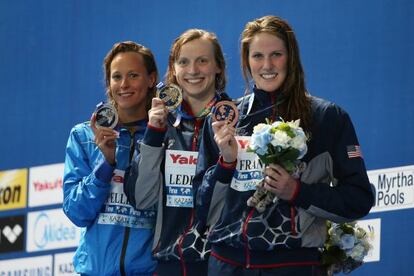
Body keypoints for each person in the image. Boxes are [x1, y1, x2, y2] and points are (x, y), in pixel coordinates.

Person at [196, 15, 375, 275]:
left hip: (292, 265)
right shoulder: (227, 117)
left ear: (291, 57)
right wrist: (226, 163)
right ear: (246, 60)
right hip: (227, 264)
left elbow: (358, 199)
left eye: (276, 54)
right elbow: (202, 211)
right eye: (257, 56)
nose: (267, 65)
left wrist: (297, 191)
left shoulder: (326, 117)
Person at [124, 29, 230, 276]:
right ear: (173, 69)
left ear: (218, 67)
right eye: (184, 62)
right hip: (170, 263)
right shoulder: (161, 126)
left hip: (222, 262)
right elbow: (141, 198)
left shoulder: (236, 122)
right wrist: (152, 135)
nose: (193, 70)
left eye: (202, 61)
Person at [63, 41, 158, 276]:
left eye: (133, 75)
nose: (124, 85)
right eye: (116, 77)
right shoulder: (84, 136)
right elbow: (77, 211)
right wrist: (104, 165)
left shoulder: (167, 136)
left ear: (151, 79)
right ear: (108, 83)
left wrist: (157, 135)